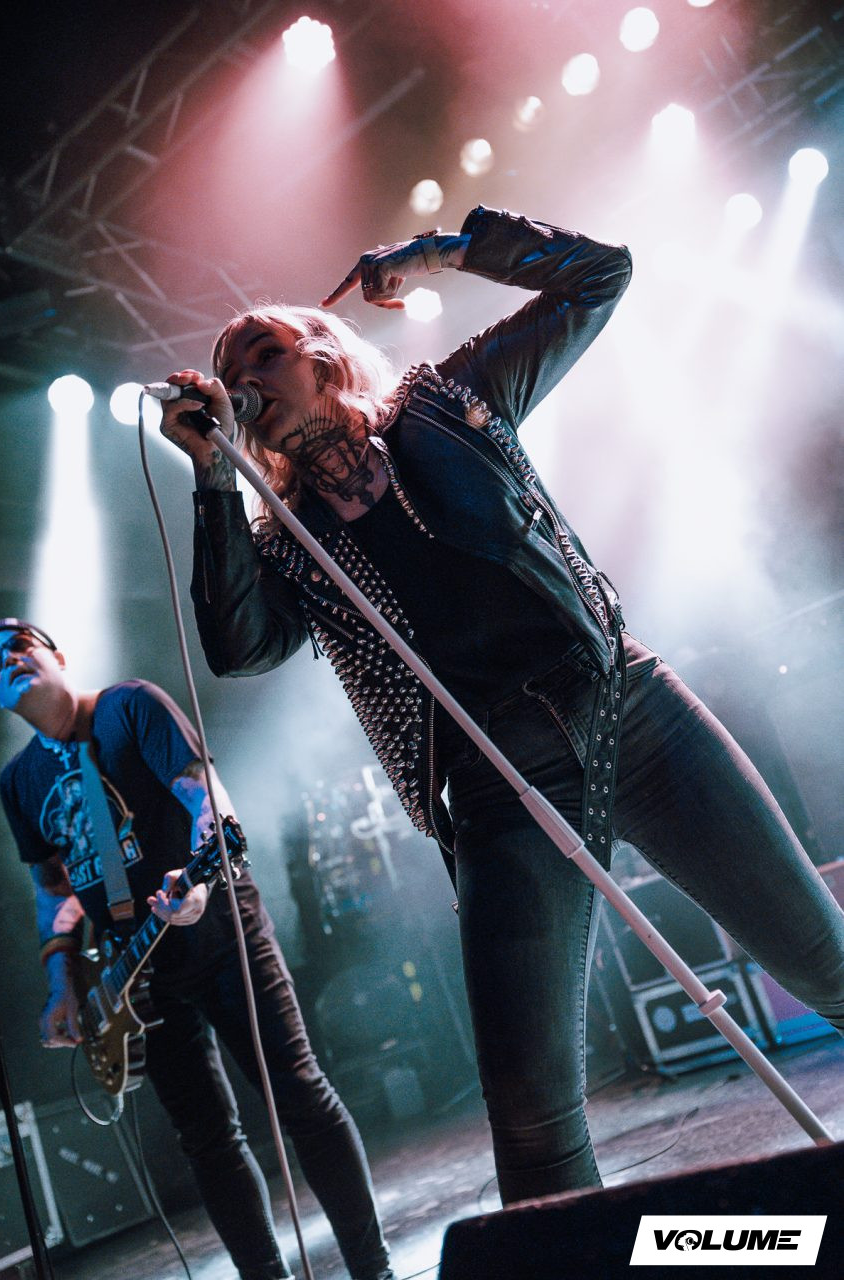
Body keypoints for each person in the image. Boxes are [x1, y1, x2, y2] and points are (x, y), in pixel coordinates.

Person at [159, 205, 844, 1205]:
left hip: (627, 712)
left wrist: (445, 249)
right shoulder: (287, 542)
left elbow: (600, 275)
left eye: (261, 351)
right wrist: (212, 480)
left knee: (825, 964)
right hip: (496, 789)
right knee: (530, 1116)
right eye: (230, 373)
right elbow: (239, 648)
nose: (243, 378)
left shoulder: (450, 401)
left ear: (320, 352)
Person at [0, 617, 395, 1280]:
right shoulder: (19, 782)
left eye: (18, 646)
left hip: (219, 928)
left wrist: (201, 880)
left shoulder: (129, 706)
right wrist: (62, 981)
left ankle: (372, 1270)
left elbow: (204, 795)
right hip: (136, 972)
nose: (5, 660)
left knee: (298, 1092)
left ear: (58, 656)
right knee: (207, 1140)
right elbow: (53, 890)